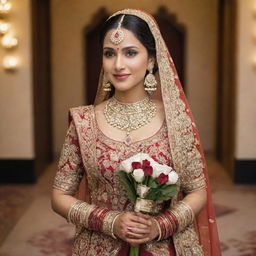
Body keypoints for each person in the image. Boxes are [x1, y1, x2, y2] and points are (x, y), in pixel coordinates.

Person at [51, 9, 221, 256]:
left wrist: (159, 226)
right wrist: (110, 221)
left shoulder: (176, 120)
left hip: (164, 245)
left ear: (151, 60)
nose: (118, 64)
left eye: (130, 53)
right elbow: (59, 195)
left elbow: (198, 190)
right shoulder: (84, 121)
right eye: (110, 54)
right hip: (99, 246)